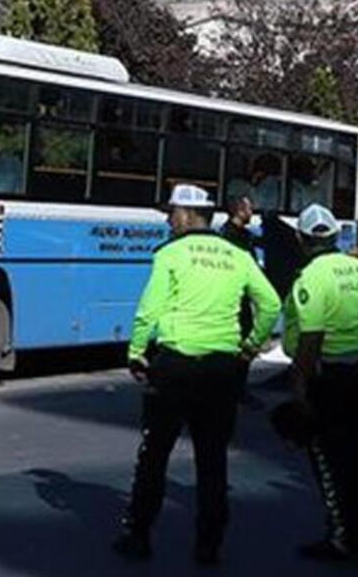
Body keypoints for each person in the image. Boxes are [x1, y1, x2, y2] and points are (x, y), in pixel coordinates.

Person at [113, 184, 282, 566]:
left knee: (154, 454)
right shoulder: (237, 255)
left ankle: (139, 534)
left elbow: (148, 310)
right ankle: (209, 544)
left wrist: (137, 352)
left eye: (171, 213)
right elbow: (270, 304)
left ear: (188, 215)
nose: (169, 220)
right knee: (212, 459)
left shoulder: (170, 254)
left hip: (174, 366)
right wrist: (250, 346)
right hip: (222, 370)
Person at [282, 204, 358, 562]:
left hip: (330, 377)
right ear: (336, 236)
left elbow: (311, 340)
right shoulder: (357, 269)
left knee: (330, 461)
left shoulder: (310, 278)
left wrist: (299, 388)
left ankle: (342, 536)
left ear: (301, 239)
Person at [218, 194, 263, 409]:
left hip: (238, 293)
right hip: (237, 294)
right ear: (239, 211)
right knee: (243, 337)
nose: (251, 211)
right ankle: (236, 387)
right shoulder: (234, 237)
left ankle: (234, 386)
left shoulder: (228, 234)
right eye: (248, 208)